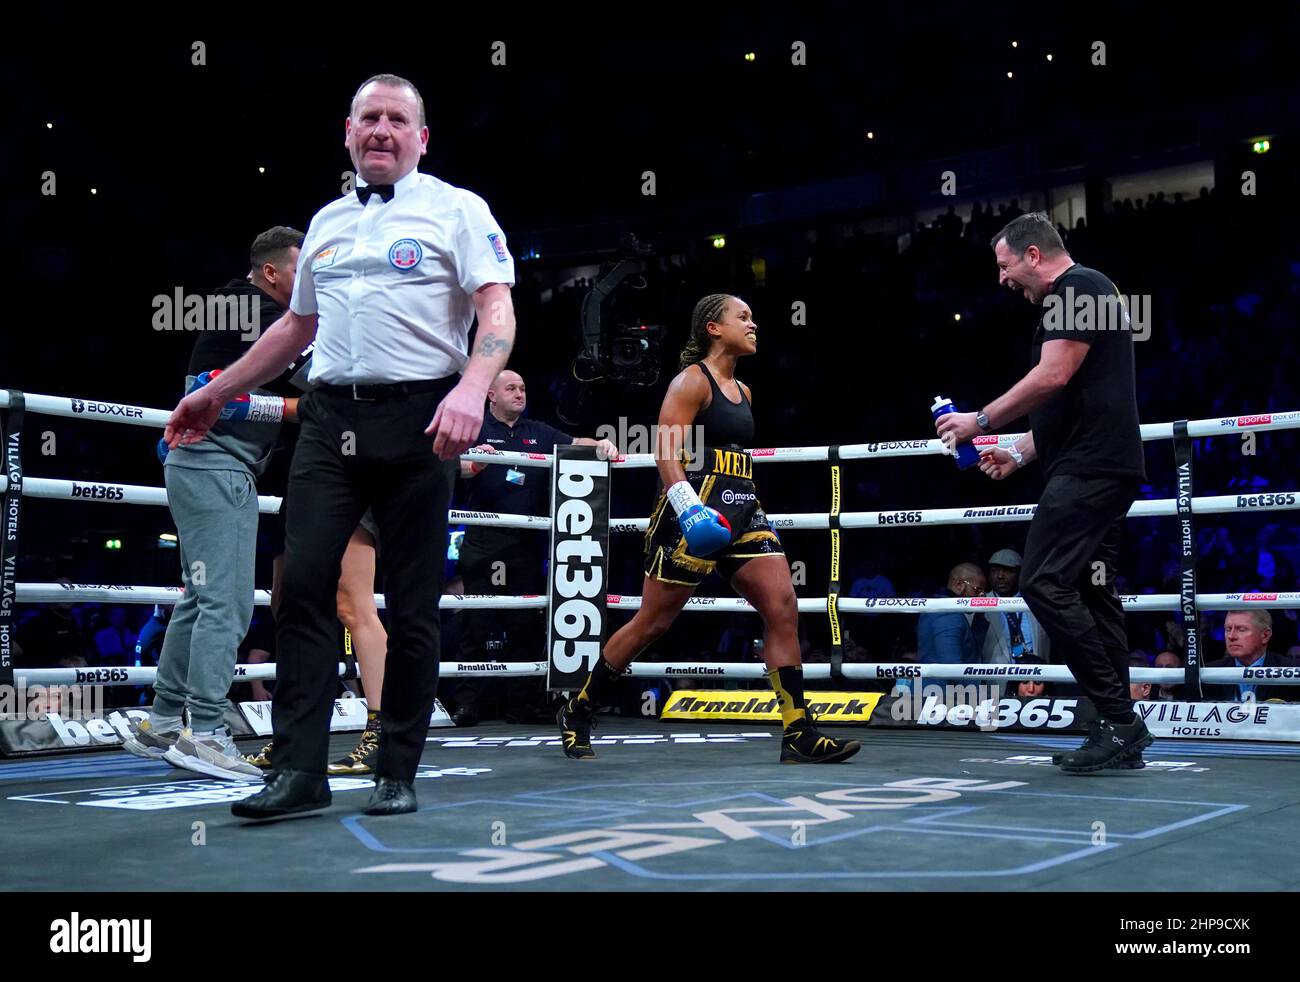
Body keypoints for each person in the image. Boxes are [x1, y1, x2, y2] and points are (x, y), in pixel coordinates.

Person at [167, 73, 517, 819]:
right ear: (349, 132)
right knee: (302, 591)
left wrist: (472, 387)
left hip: (425, 415)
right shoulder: (324, 223)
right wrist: (211, 393)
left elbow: (496, 309)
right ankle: (298, 771)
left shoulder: (458, 210)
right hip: (329, 419)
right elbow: (293, 331)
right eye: (370, 118)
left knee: (413, 602)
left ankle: (397, 767)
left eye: (398, 119)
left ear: (421, 137)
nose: (382, 129)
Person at [555, 294, 860, 764]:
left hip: (742, 506)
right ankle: (579, 707)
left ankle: (797, 731)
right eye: (744, 317)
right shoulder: (691, 381)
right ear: (713, 328)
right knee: (652, 623)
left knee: (782, 607)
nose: (754, 324)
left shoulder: (744, 390)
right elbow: (666, 451)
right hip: (693, 505)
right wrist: (688, 509)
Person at [937, 212, 1152, 773]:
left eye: (1006, 266)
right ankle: (1115, 729)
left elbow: (1052, 377)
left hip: (1091, 471)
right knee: (1093, 592)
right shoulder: (1088, 291)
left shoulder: (1078, 287)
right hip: (1096, 464)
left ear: (1034, 255)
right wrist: (1022, 451)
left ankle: (1119, 717)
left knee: (1043, 582)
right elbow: (1075, 397)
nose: (1003, 280)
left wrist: (979, 421)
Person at [123, 226, 305, 782]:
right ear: (272, 272)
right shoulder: (252, 311)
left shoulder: (235, 308)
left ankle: (160, 723)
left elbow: (235, 396)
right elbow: (227, 403)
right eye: (302, 271)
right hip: (214, 468)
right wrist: (311, 411)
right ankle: (203, 732)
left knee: (201, 600)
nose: (311, 283)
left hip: (210, 469)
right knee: (226, 604)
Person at [449, 369, 616, 725]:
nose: (519, 393)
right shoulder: (475, 428)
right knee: (476, 625)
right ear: (491, 395)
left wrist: (602, 444)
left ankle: (521, 703)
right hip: (482, 540)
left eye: (523, 388)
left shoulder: (538, 432)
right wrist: (474, 462)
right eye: (511, 388)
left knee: (524, 625)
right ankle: (466, 704)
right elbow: (454, 468)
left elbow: (577, 442)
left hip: (526, 544)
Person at [1204, 610, 1296, 703]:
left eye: (1241, 629)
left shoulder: (1293, 670)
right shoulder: (1208, 672)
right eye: (1228, 629)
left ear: (1265, 635)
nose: (1231, 636)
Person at [981, 549, 1050, 664]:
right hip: (998, 678)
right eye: (994, 571)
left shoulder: (1038, 602)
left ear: (1021, 573)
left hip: (1036, 676)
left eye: (1008, 570)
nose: (1000, 576)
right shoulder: (979, 605)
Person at [917, 562, 987, 667]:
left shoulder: (936, 606)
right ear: (959, 585)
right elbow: (951, 667)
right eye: (977, 590)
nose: (981, 598)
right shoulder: (948, 615)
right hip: (943, 683)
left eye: (983, 593)